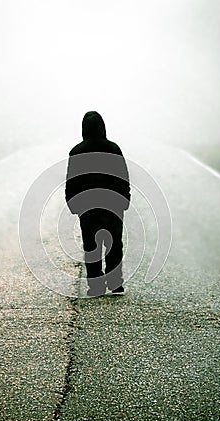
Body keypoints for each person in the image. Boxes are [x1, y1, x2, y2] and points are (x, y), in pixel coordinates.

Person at [65, 111, 130, 296]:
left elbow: (72, 180)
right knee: (114, 244)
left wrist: (72, 202)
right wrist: (125, 198)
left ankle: (96, 286)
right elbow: (122, 176)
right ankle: (115, 283)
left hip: (88, 206)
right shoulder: (113, 149)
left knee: (91, 246)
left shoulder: (77, 151)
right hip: (113, 204)